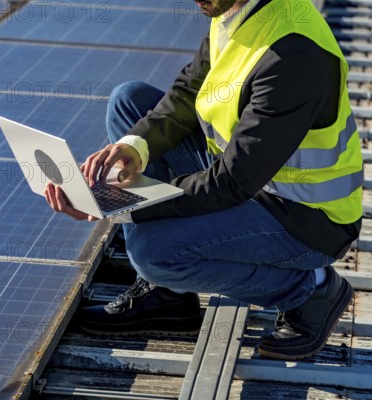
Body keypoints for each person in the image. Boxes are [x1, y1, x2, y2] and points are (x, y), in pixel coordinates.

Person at [44, 0, 363, 360]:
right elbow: (188, 92)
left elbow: (229, 183)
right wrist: (133, 149)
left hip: (303, 217)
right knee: (128, 102)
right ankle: (168, 296)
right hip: (248, 179)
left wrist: (119, 202)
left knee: (154, 252)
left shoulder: (294, 56)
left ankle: (310, 289)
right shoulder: (236, 10)